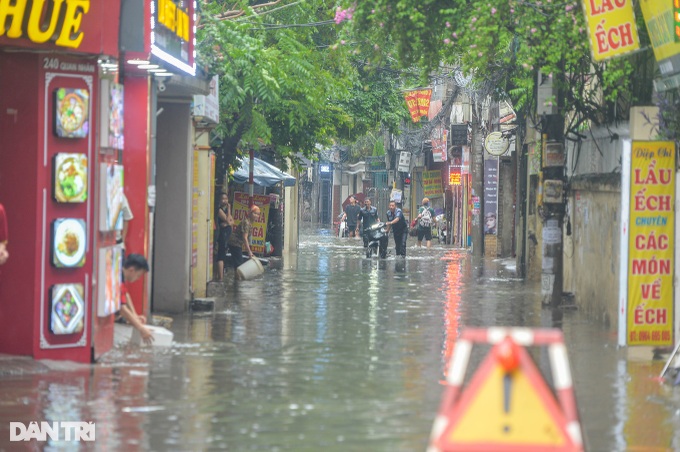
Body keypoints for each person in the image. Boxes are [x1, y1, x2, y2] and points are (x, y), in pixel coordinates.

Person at [119, 254, 154, 344]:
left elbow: (125, 294)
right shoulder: (117, 278)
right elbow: (122, 309)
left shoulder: (121, 276)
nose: (138, 279)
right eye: (138, 275)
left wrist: (134, 315)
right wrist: (141, 328)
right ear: (132, 270)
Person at [228, 204, 259, 278]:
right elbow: (245, 238)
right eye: (254, 213)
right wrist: (249, 252)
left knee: (238, 263)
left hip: (237, 243)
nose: (256, 216)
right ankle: (237, 280)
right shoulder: (246, 223)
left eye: (257, 214)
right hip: (235, 243)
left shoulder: (250, 223)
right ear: (250, 213)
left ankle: (237, 279)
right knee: (239, 263)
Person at [215, 192, 234, 281]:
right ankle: (220, 278)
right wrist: (228, 222)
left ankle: (221, 276)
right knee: (221, 255)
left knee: (224, 255)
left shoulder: (225, 210)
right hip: (222, 235)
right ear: (219, 200)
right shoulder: (219, 210)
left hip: (226, 235)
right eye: (223, 199)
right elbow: (228, 220)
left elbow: (232, 222)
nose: (224, 200)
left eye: (226, 199)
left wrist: (227, 223)